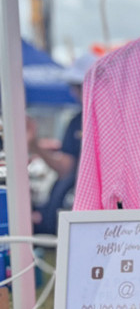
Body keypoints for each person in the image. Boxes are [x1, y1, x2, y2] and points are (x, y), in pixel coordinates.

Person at [27, 53, 96, 235]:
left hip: (84, 209)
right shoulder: (77, 121)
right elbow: (66, 167)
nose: (75, 92)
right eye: (74, 86)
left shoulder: (83, 120)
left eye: (78, 87)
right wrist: (34, 145)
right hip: (77, 207)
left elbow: (66, 168)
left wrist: (34, 146)